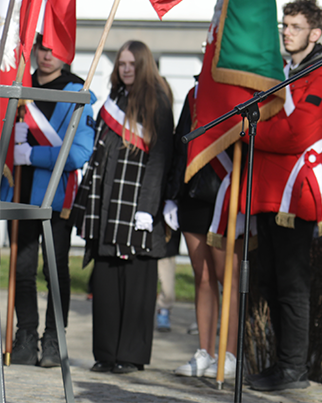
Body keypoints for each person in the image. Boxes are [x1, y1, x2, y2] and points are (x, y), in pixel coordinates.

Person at [245, 0, 322, 392]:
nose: (285, 32)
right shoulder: (285, 68)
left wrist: (249, 132)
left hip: (296, 193)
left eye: (294, 27)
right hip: (270, 190)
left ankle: (293, 369)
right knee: (269, 282)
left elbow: (296, 134)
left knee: (292, 284)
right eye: (284, 25)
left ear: (315, 33)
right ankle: (281, 364)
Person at [71, 40, 174, 374]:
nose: (125, 69)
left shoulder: (157, 101)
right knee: (105, 282)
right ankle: (106, 353)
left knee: (135, 285)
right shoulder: (112, 100)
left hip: (136, 206)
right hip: (105, 204)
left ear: (143, 65)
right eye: (121, 64)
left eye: (131, 63)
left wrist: (148, 207)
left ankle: (130, 356)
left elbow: (160, 158)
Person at [6, 36, 96, 367]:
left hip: (56, 196)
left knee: (54, 269)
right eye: (43, 48)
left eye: (56, 49)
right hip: (18, 191)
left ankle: (54, 338)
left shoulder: (75, 91)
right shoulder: (17, 85)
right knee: (23, 268)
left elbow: (79, 153)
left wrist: (32, 154)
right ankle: (26, 335)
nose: (47, 55)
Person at [169, 87, 240, 380]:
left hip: (227, 193)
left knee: (229, 279)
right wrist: (171, 195)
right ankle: (204, 352)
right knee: (204, 277)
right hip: (194, 193)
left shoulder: (240, 89)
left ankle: (230, 353)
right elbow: (180, 145)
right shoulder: (195, 92)